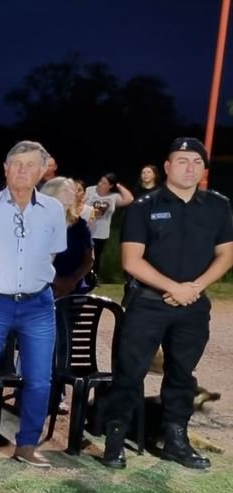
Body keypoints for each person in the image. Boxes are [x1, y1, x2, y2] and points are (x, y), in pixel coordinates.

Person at [102, 138, 233, 470]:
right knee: (130, 373)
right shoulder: (144, 206)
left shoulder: (218, 206)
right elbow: (132, 261)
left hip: (193, 306)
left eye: (196, 162)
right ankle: (115, 440)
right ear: (168, 166)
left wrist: (195, 288)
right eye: (182, 160)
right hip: (147, 304)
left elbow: (226, 254)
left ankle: (176, 441)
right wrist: (174, 288)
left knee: (181, 375)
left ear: (204, 169)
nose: (190, 167)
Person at [0, 141, 66, 468]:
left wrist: (28, 279)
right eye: (16, 164)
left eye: (30, 165)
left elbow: (51, 254)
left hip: (38, 304)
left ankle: (27, 445)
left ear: (42, 171)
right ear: (5, 169)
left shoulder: (53, 210)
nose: (22, 170)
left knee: (39, 378)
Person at [42, 177, 94, 297]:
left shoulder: (79, 224)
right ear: (51, 193)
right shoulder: (37, 223)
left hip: (74, 288)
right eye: (66, 190)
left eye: (73, 189)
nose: (73, 193)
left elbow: (89, 258)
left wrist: (71, 281)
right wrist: (58, 281)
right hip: (42, 288)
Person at [84, 173, 134, 270]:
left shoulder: (113, 197)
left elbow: (130, 199)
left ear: (110, 186)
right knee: (84, 257)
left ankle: (93, 276)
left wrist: (118, 185)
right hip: (86, 231)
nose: (100, 184)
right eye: (100, 181)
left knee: (96, 257)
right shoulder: (90, 190)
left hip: (101, 233)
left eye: (104, 183)